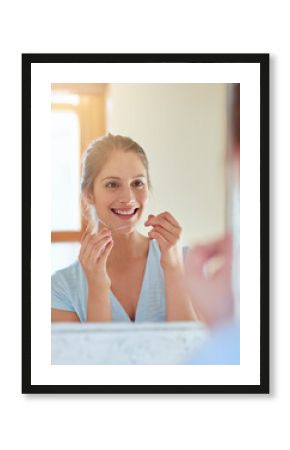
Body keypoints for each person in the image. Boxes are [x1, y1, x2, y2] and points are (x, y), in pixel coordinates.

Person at [51, 134, 197, 323]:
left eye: (137, 183)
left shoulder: (186, 262)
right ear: (89, 195)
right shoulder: (61, 287)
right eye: (112, 184)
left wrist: (174, 268)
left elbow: (192, 349)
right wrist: (97, 287)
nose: (128, 197)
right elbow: (92, 352)